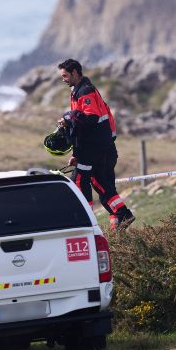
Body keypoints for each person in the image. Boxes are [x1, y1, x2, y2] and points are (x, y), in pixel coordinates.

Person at [58, 59, 136, 231]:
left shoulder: (85, 91)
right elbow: (85, 124)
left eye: (65, 75)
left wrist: (68, 118)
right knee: (104, 186)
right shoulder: (80, 90)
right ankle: (118, 224)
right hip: (101, 148)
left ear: (75, 73)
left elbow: (90, 117)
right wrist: (76, 154)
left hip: (94, 150)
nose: (63, 79)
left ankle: (88, 222)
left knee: (79, 181)